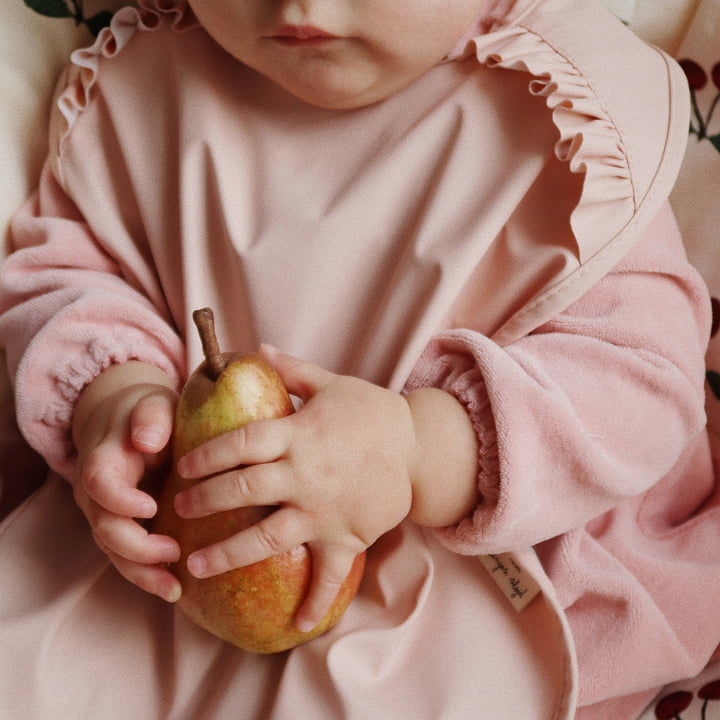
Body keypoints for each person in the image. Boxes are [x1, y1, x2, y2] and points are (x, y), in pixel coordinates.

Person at [1, 0, 719, 717]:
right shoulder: (145, 92)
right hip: (183, 550)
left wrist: (418, 449)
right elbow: (69, 270)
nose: (299, 4)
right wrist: (117, 396)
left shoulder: (568, 112)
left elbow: (638, 380)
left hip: (486, 565)